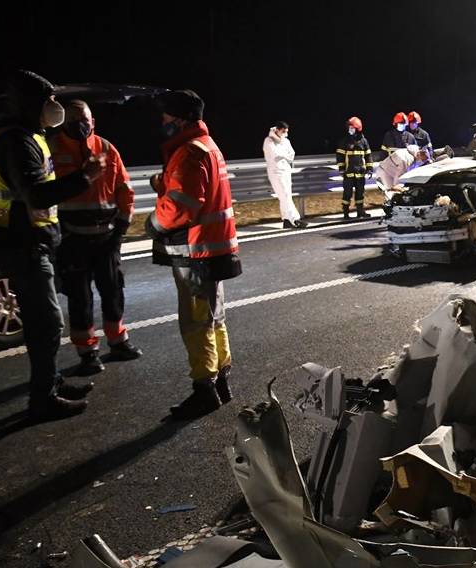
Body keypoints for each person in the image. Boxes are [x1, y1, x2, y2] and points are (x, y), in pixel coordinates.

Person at [0, 71, 104, 420]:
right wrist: (85, 177)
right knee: (47, 324)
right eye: (48, 100)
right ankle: (43, 399)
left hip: (32, 240)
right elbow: (35, 193)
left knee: (46, 320)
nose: (55, 107)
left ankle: (51, 381)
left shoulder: (31, 136)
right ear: (30, 104)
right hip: (22, 244)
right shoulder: (16, 142)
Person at [147, 90, 242, 420]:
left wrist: (152, 223)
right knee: (214, 316)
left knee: (195, 321)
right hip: (212, 248)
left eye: (166, 117)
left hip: (194, 251)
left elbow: (181, 207)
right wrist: (164, 182)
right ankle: (222, 380)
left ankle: (205, 388)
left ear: (180, 119)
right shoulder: (208, 145)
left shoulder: (188, 151)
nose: (162, 123)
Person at [50, 100, 143, 376]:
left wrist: (121, 229)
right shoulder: (52, 149)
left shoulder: (106, 148)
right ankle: (87, 352)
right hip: (71, 239)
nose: (79, 125)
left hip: (106, 238)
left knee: (113, 290)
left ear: (93, 122)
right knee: (79, 297)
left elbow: (125, 189)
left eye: (84, 119)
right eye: (72, 119)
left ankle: (118, 341)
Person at [263, 121, 306, 229]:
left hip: (286, 170)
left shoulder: (286, 141)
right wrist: (284, 155)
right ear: (277, 130)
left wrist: (283, 155)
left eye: (286, 131)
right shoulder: (269, 141)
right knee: (285, 195)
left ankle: (286, 220)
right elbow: (274, 155)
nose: (285, 134)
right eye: (283, 131)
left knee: (286, 196)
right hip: (275, 172)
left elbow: (291, 155)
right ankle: (295, 219)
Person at [336, 116, 373, 219]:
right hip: (348, 173)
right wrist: (341, 169)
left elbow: (368, 156)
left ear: (358, 129)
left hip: (360, 172)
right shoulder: (344, 141)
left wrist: (370, 169)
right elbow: (340, 156)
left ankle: (360, 212)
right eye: (349, 127)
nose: (350, 130)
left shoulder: (364, 141)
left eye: (352, 128)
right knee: (347, 194)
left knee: (360, 194)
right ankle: (346, 213)